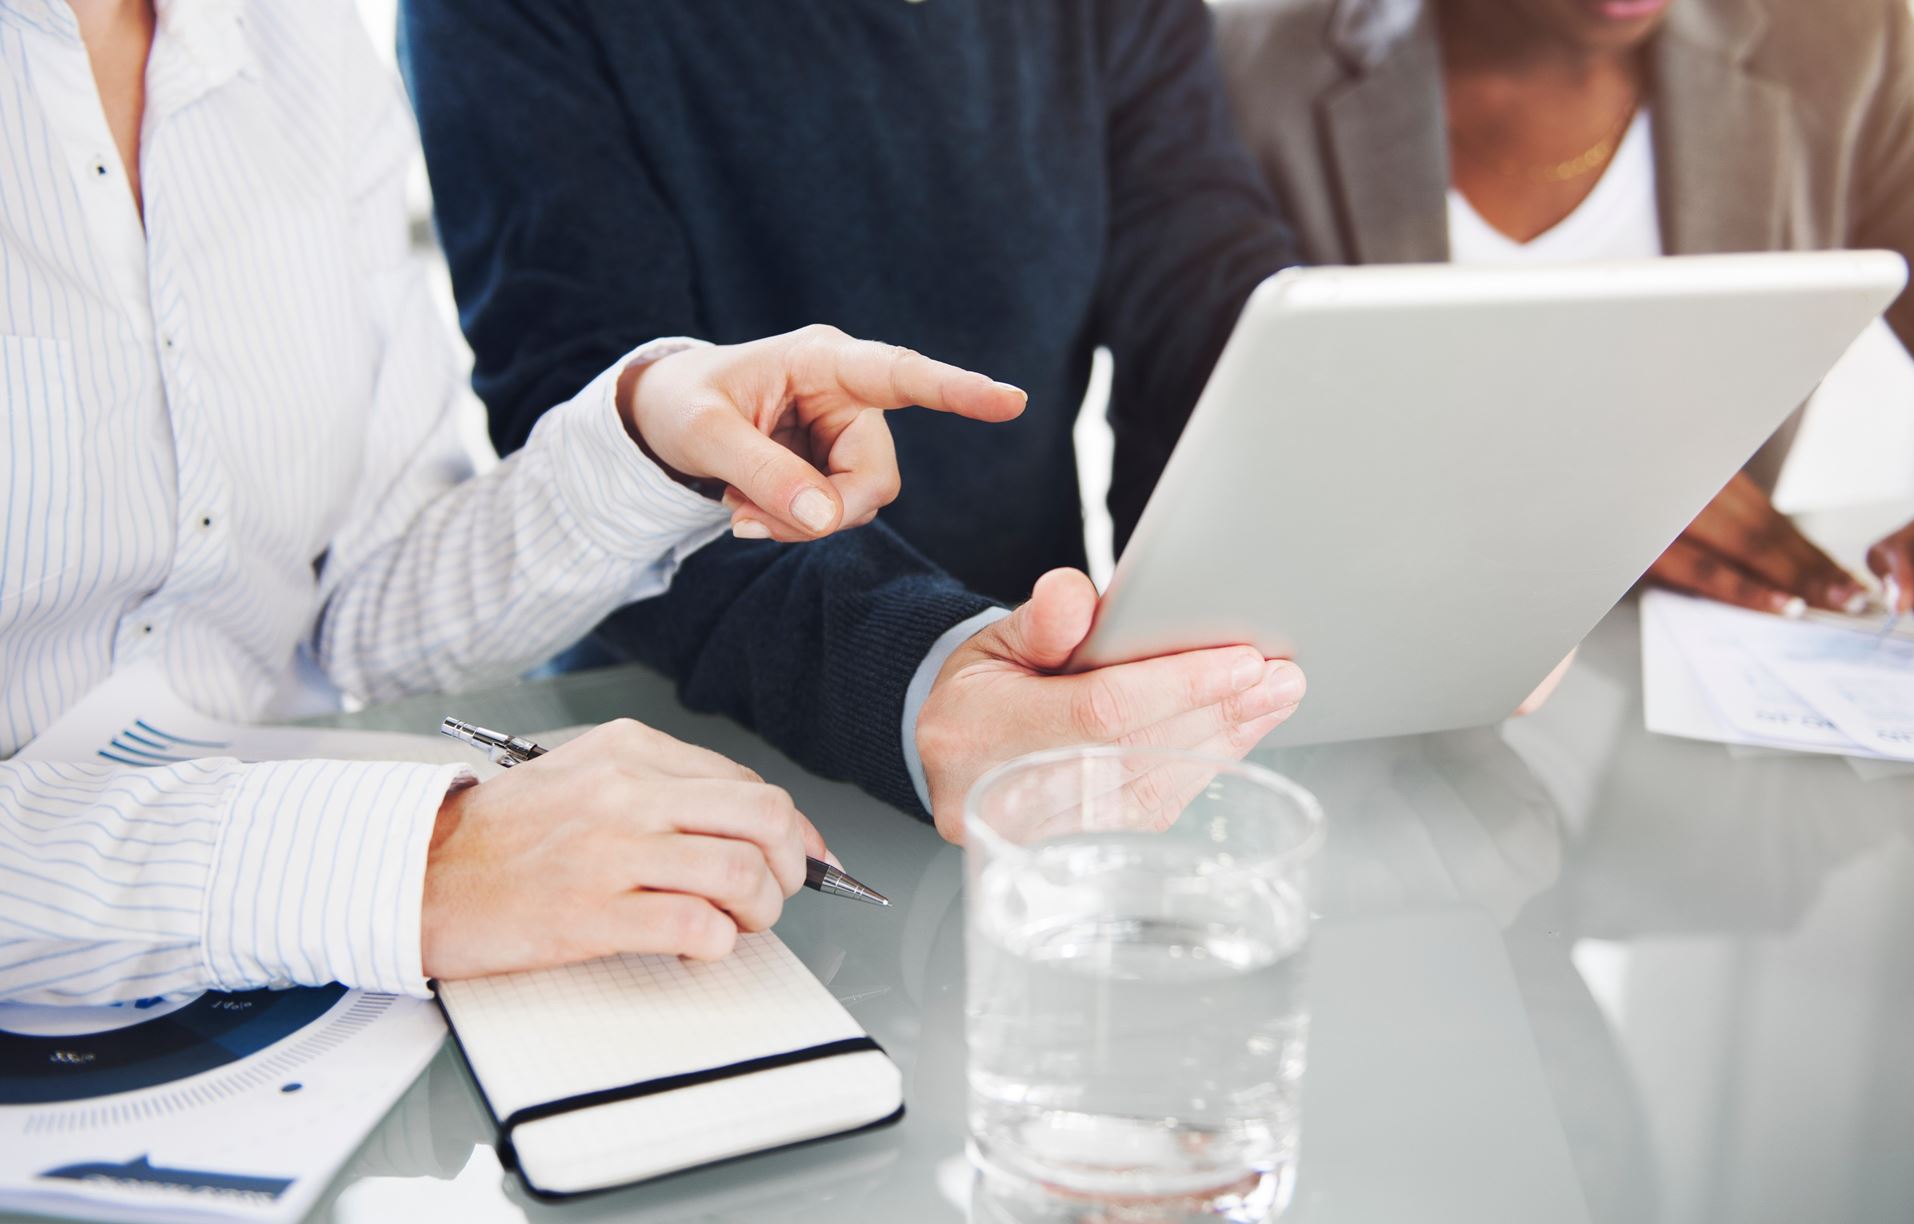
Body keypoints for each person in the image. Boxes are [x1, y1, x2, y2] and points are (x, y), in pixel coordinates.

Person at [2, 0, 1283, 1005]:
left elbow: (358, 606)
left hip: (345, 942)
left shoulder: (288, 41)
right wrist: (412, 859)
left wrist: (645, 448)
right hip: (635, 767)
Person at [398, 0, 1313, 830]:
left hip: (1054, 705)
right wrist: (923, 677)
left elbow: (1197, 299)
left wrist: (1212, 601)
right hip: (665, 747)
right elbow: (593, 419)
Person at [1214, 0, 1914, 619]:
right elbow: (1205, 474)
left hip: (1696, 682)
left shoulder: (1848, 38)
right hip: (1354, 659)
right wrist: (1567, 490)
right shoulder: (1240, 68)